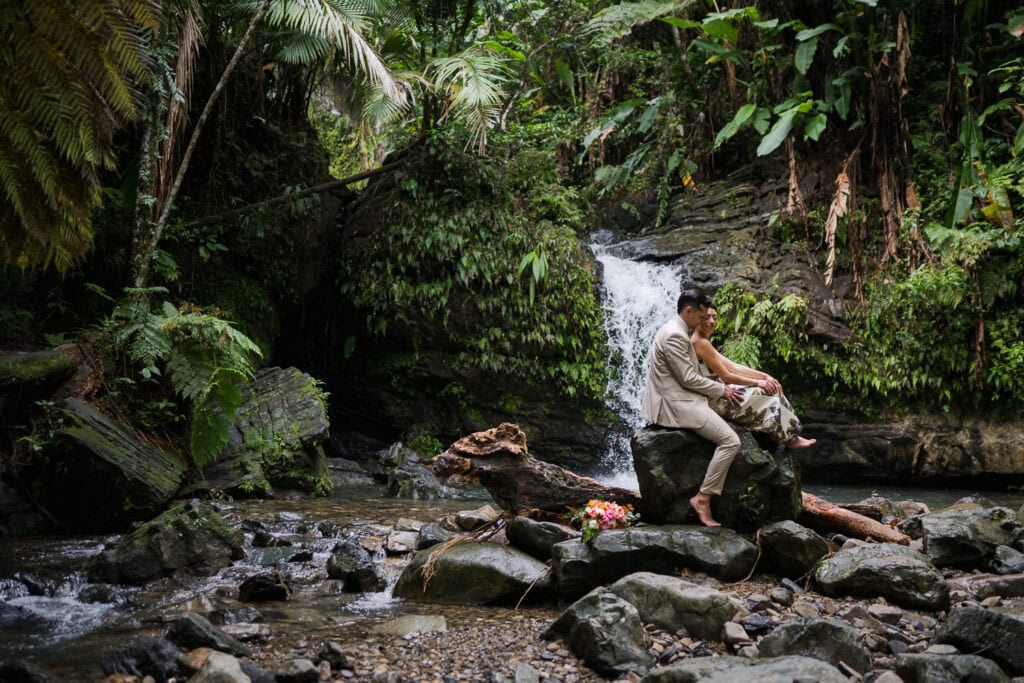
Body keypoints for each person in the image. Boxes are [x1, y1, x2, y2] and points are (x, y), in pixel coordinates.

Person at [640, 288, 744, 527]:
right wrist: (721, 389)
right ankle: (703, 497)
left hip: (681, 397)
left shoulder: (676, 329)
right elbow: (687, 378)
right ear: (688, 310)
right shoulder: (675, 335)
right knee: (731, 441)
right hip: (676, 405)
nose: (703, 322)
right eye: (700, 317)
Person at [691, 306, 816, 449]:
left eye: (714, 317)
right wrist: (759, 382)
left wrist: (765, 377)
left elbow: (733, 366)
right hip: (715, 399)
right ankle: (789, 438)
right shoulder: (700, 343)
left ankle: (784, 433)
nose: (712, 321)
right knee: (764, 394)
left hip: (721, 392)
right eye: (707, 318)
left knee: (772, 389)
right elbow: (725, 374)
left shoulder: (703, 340)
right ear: (697, 320)